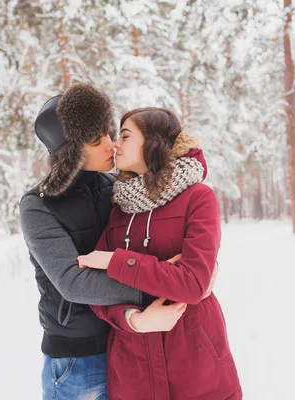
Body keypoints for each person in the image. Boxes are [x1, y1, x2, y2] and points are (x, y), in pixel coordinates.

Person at [20, 85, 185, 400]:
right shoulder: (38, 206)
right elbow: (73, 282)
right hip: (76, 359)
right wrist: (162, 283)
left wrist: (197, 264)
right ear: (71, 155)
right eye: (97, 142)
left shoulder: (115, 187)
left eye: (110, 134)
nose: (111, 145)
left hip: (126, 342)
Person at [78, 107, 242, 399]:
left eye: (125, 136)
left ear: (153, 142)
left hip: (194, 364)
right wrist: (133, 319)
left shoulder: (198, 198)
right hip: (132, 372)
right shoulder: (119, 209)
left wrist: (116, 261)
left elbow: (193, 284)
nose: (115, 144)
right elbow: (93, 290)